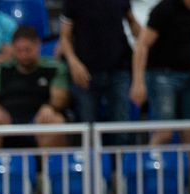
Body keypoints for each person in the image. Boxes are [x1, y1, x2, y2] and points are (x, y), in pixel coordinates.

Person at [0, 25, 70, 149]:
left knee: (55, 121)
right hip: (6, 121)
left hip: (39, 119)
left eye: (28, 50)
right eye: (19, 50)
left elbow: (59, 98)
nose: (23, 55)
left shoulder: (54, 67)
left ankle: (50, 162)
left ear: (38, 45)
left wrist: (50, 107)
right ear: (12, 48)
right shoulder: (2, 68)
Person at [130, 0, 190, 145]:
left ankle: (188, 161)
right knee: (164, 132)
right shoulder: (164, 9)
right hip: (163, 75)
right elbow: (142, 45)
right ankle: (152, 158)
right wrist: (138, 81)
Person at [59, 0, 140, 132]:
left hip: (118, 68)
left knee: (122, 124)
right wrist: (73, 63)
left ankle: (121, 146)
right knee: (88, 127)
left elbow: (132, 23)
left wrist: (145, 46)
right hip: (86, 71)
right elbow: (64, 37)